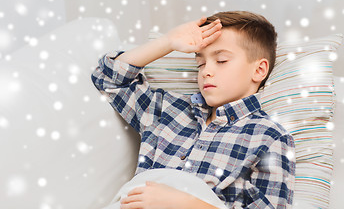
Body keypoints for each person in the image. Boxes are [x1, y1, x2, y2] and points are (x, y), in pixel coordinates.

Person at [91, 11, 296, 209]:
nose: (206, 71)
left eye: (221, 61)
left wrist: (185, 204)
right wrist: (168, 42)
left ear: (259, 70)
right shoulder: (167, 110)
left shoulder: (270, 137)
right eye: (200, 63)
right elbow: (107, 78)